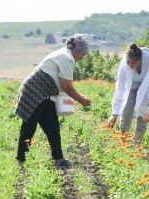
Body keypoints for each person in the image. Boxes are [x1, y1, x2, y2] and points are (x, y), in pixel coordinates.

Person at [15, 35, 92, 167]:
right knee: (29, 128)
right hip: (34, 92)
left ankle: (58, 159)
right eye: (83, 54)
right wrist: (82, 100)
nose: (82, 58)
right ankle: (21, 160)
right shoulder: (67, 58)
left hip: (46, 94)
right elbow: (66, 86)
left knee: (52, 127)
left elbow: (63, 85)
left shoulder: (64, 54)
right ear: (78, 51)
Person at [107, 44, 149, 147]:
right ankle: (124, 144)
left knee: (143, 117)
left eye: (132, 63)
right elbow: (120, 87)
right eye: (128, 62)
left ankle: (137, 147)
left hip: (146, 87)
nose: (129, 65)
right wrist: (114, 114)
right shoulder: (124, 63)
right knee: (126, 113)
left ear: (140, 60)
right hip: (131, 86)